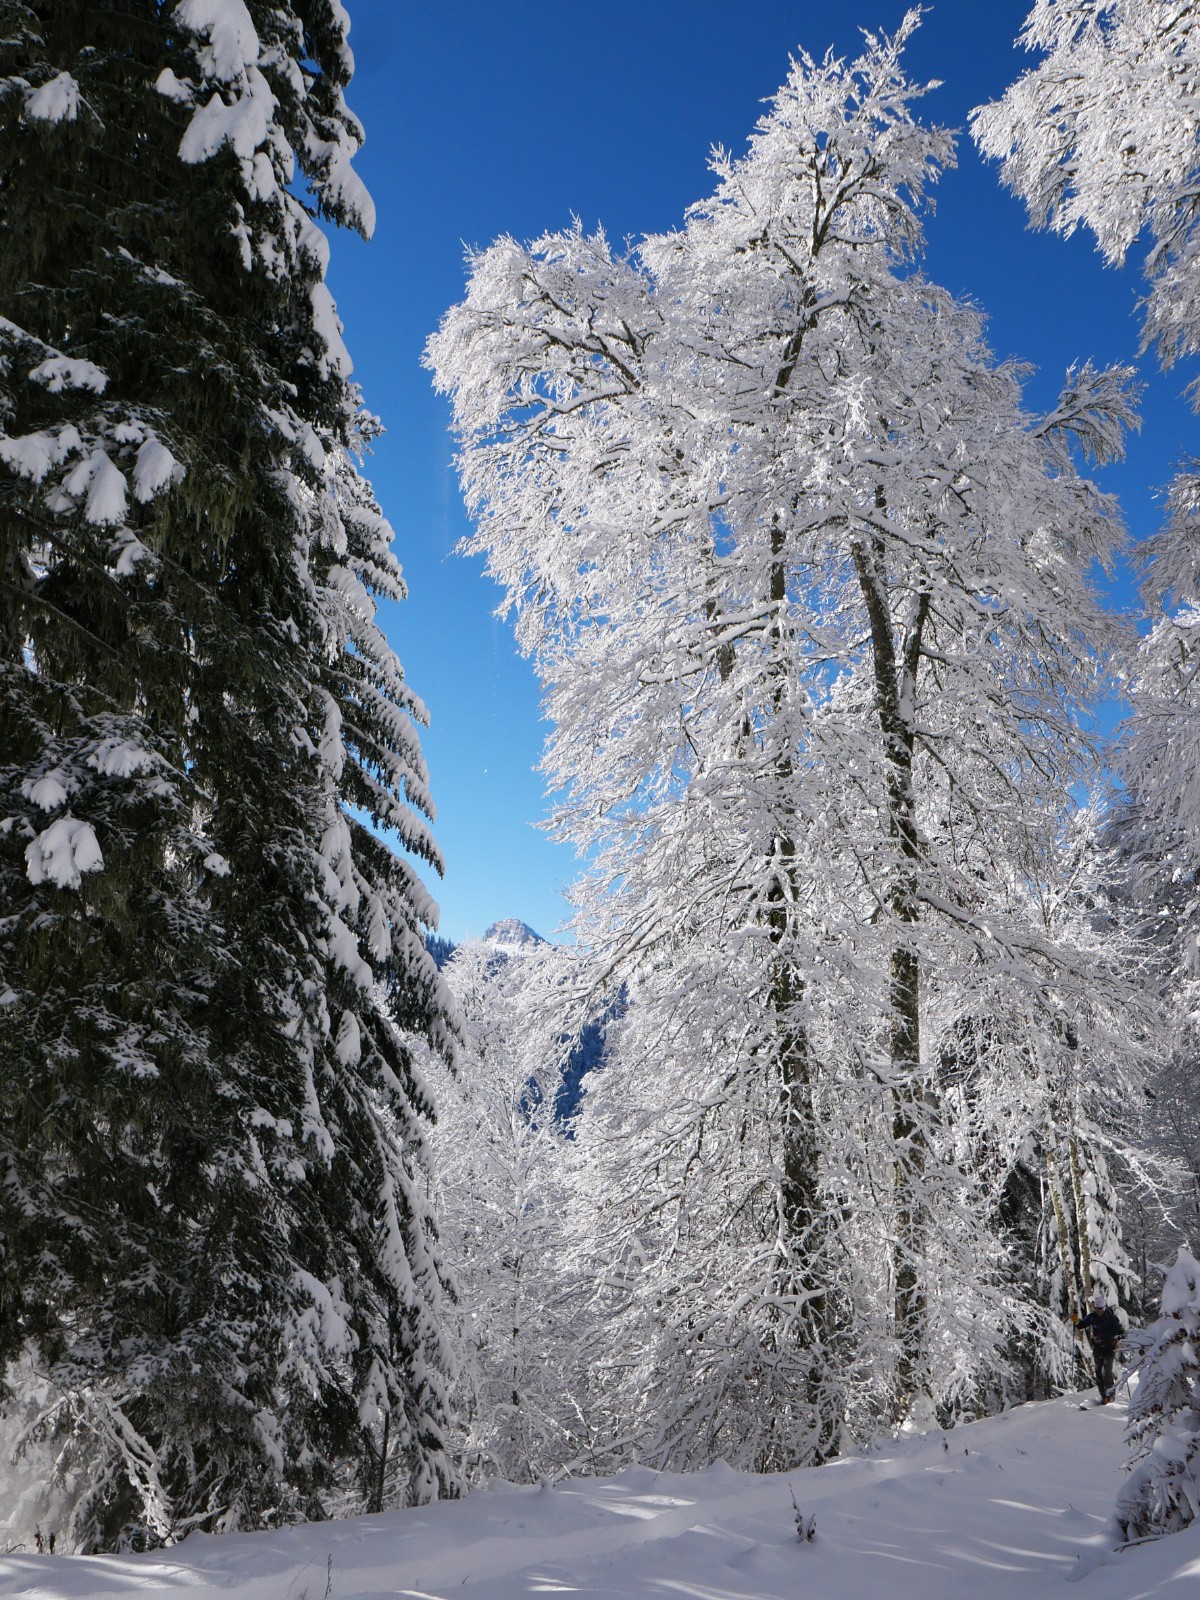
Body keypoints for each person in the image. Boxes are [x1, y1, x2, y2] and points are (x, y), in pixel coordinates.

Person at [1075, 1289, 1123, 1403]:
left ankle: (1111, 1396)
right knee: (1098, 1375)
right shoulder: (1093, 1317)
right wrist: (1075, 1319)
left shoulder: (1111, 1318)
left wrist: (1116, 1339)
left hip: (1109, 1349)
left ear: (1104, 1308)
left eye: (1100, 1309)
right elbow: (1081, 1325)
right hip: (1097, 1348)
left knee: (1106, 1374)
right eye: (1096, 1308)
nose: (1098, 1311)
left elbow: (1120, 1331)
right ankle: (1104, 1397)